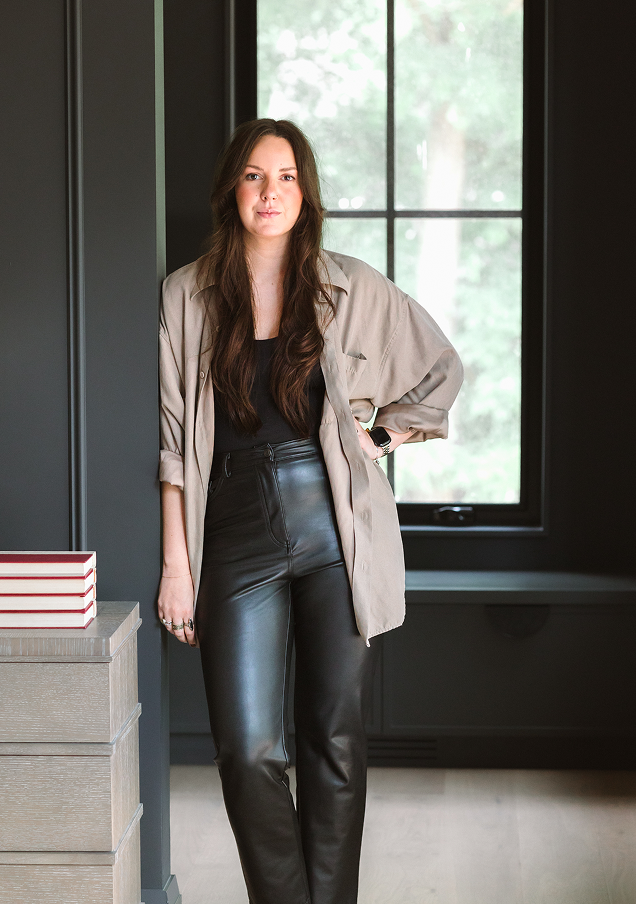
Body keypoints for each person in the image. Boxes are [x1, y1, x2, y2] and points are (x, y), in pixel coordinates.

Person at [157, 118, 463, 904]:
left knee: (332, 740)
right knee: (248, 748)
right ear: (233, 187)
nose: (271, 191)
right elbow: (171, 448)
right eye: (255, 176)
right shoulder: (185, 295)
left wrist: (383, 433)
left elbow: (438, 369)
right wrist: (176, 566)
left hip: (335, 527)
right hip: (230, 527)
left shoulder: (349, 286)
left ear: (306, 192)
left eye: (287, 176)